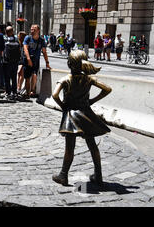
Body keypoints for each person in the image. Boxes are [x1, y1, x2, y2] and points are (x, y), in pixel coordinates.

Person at [51, 50, 112, 187]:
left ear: (69, 64)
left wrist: (63, 106)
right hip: (86, 113)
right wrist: (92, 101)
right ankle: (98, 175)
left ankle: (63, 175)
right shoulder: (88, 79)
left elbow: (55, 95)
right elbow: (107, 89)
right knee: (92, 144)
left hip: (71, 115)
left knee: (70, 147)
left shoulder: (66, 79)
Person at [23, 24, 51, 98]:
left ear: (38, 30)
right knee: (27, 77)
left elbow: (44, 52)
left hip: (36, 60)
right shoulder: (28, 38)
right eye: (31, 29)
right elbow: (25, 49)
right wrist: (28, 59)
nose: (32, 31)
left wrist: (47, 63)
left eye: (34, 29)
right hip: (27, 60)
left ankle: (32, 90)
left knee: (34, 75)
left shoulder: (41, 40)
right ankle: (27, 93)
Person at [2, 26, 21, 102]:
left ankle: (8, 93)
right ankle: (14, 93)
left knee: (7, 78)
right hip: (15, 61)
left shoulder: (4, 38)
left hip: (6, 61)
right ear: (12, 31)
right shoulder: (16, 39)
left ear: (6, 32)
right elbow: (19, 48)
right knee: (14, 78)